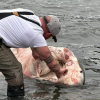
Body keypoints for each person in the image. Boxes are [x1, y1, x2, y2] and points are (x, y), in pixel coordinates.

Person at [0, 8, 67, 97]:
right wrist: (59, 72)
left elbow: (23, 29)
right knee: (15, 71)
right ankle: (16, 97)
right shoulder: (36, 35)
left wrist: (34, 50)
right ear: (49, 34)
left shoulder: (29, 13)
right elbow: (49, 59)